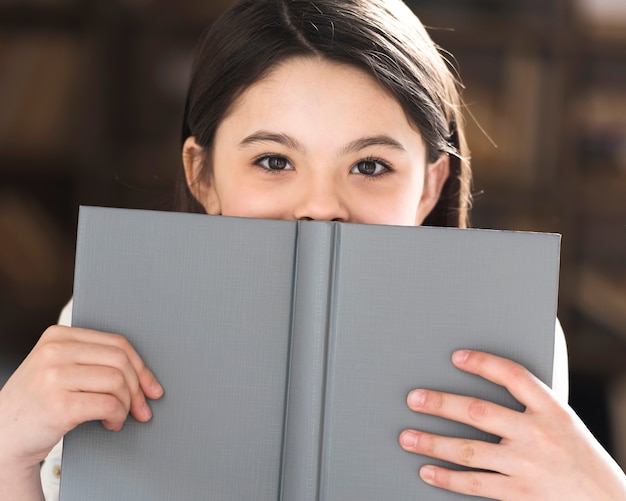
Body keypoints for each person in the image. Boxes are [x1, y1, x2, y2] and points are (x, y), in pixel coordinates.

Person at [0, 0, 625, 499]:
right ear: (204, 177)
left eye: (372, 165)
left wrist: (599, 493)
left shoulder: (513, 344)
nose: (321, 206)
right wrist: (6, 450)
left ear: (430, 185)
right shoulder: (105, 320)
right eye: (274, 160)